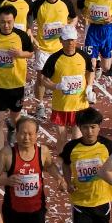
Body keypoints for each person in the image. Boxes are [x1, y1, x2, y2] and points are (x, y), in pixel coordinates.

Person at [0, 3, 36, 152]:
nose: (6, 25)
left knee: (15, 119)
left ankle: (13, 129)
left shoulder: (21, 36)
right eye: (3, 22)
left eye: (9, 22)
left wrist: (20, 54)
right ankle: (1, 153)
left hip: (16, 85)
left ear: (14, 21)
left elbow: (31, 53)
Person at [41, 24, 96, 154]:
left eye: (72, 39)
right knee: (62, 138)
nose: (70, 43)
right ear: (61, 40)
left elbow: (90, 71)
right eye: (67, 39)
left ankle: (74, 162)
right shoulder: (54, 59)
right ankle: (62, 162)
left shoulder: (83, 55)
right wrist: (56, 86)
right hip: (61, 106)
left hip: (80, 106)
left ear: (76, 39)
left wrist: (89, 86)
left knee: (77, 138)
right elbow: (43, 80)